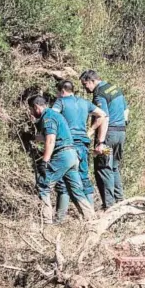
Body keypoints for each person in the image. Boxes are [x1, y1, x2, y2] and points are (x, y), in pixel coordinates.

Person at [28, 95, 94, 224]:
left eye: (31, 109)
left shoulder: (48, 118)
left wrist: (44, 161)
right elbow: (49, 136)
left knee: (43, 185)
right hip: (72, 155)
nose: (31, 112)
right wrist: (33, 137)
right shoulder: (55, 115)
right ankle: (91, 219)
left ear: (36, 107)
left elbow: (51, 140)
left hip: (62, 155)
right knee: (75, 190)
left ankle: (45, 223)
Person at [52, 80, 108, 222]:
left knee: (64, 181)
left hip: (67, 145)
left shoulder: (61, 102)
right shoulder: (84, 102)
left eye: (57, 92)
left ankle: (59, 219)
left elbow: (52, 117)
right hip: (83, 144)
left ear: (62, 91)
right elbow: (102, 114)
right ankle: (91, 218)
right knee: (84, 179)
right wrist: (90, 131)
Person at [80, 70, 129, 210]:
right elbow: (126, 111)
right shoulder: (115, 88)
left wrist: (100, 141)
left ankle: (109, 206)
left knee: (103, 168)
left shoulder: (99, 93)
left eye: (85, 84)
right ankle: (120, 201)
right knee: (114, 167)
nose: (85, 88)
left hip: (108, 136)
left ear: (92, 81)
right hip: (120, 134)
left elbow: (104, 117)